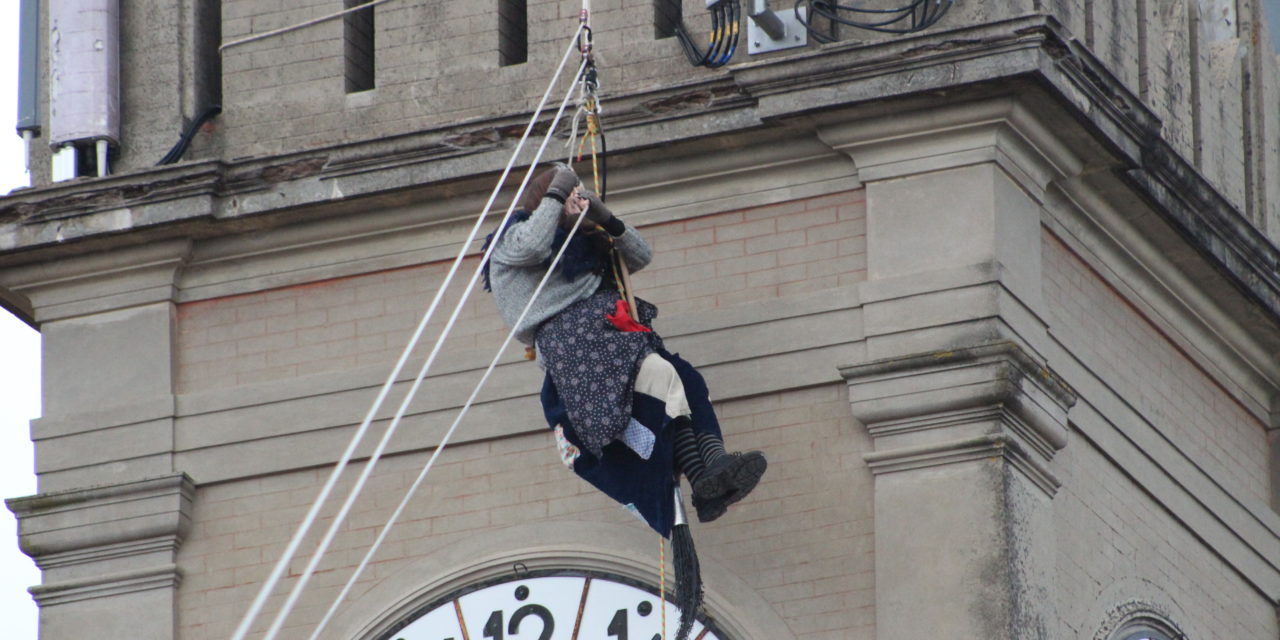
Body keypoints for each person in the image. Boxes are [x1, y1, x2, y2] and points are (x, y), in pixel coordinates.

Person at [484, 163, 766, 534]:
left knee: (688, 380)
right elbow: (536, 243)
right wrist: (556, 192)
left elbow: (640, 255)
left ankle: (710, 466)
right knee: (661, 375)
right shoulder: (512, 241)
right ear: (548, 200)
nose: (577, 201)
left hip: (616, 332)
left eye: (578, 195)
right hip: (574, 342)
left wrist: (605, 218)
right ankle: (701, 476)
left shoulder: (586, 244)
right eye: (571, 195)